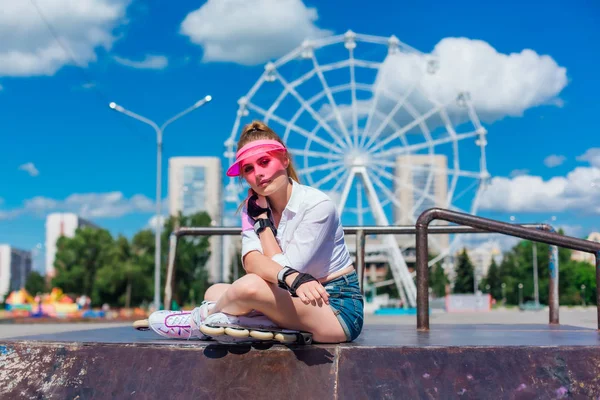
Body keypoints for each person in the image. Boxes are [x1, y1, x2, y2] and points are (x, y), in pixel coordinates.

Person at [148, 121, 364, 343]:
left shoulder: (317, 205)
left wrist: (262, 224)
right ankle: (250, 323)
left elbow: (287, 269)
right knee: (214, 291)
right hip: (291, 292)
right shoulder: (252, 208)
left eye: (264, 162)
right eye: (249, 169)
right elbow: (251, 262)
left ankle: (202, 321)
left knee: (247, 288)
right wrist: (259, 219)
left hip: (334, 307)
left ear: (284, 159)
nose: (258, 174)